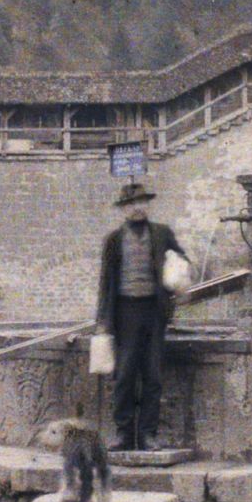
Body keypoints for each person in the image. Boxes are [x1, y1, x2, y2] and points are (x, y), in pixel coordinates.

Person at [95, 182, 188, 453]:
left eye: (142, 202)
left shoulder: (162, 234)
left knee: (152, 374)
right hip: (124, 313)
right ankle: (124, 434)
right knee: (123, 375)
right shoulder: (113, 240)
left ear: (148, 205)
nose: (138, 208)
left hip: (153, 312)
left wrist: (177, 271)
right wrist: (102, 321)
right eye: (131, 204)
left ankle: (148, 435)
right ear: (123, 210)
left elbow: (181, 260)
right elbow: (105, 282)